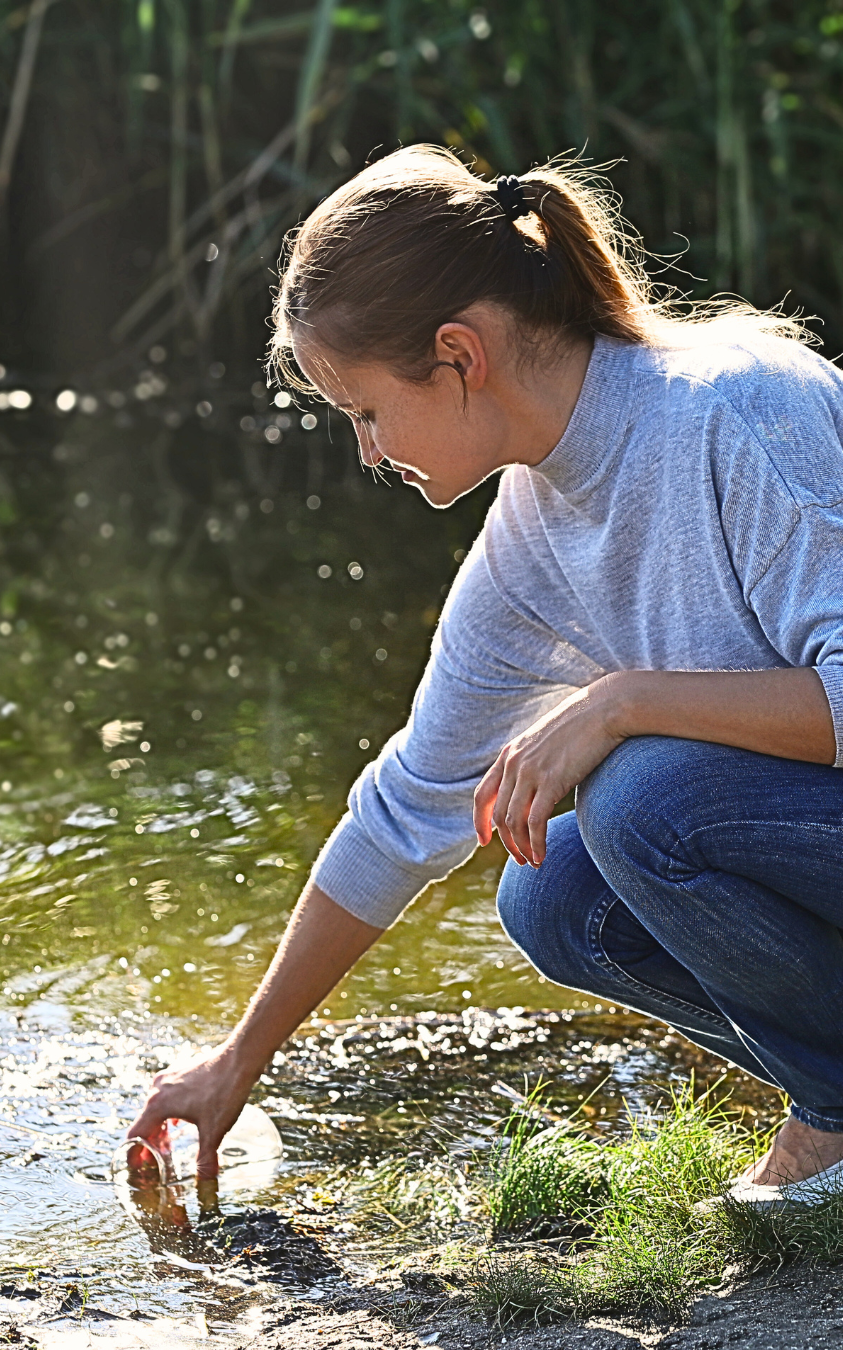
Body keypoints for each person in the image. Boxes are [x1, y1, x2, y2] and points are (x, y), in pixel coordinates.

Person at [129, 146, 843, 1205]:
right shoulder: (528, 543)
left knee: (639, 799)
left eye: (366, 412)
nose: (368, 453)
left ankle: (832, 1115)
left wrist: (622, 703)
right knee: (552, 895)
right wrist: (240, 1058)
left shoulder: (737, 409)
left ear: (458, 354)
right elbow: (405, 809)